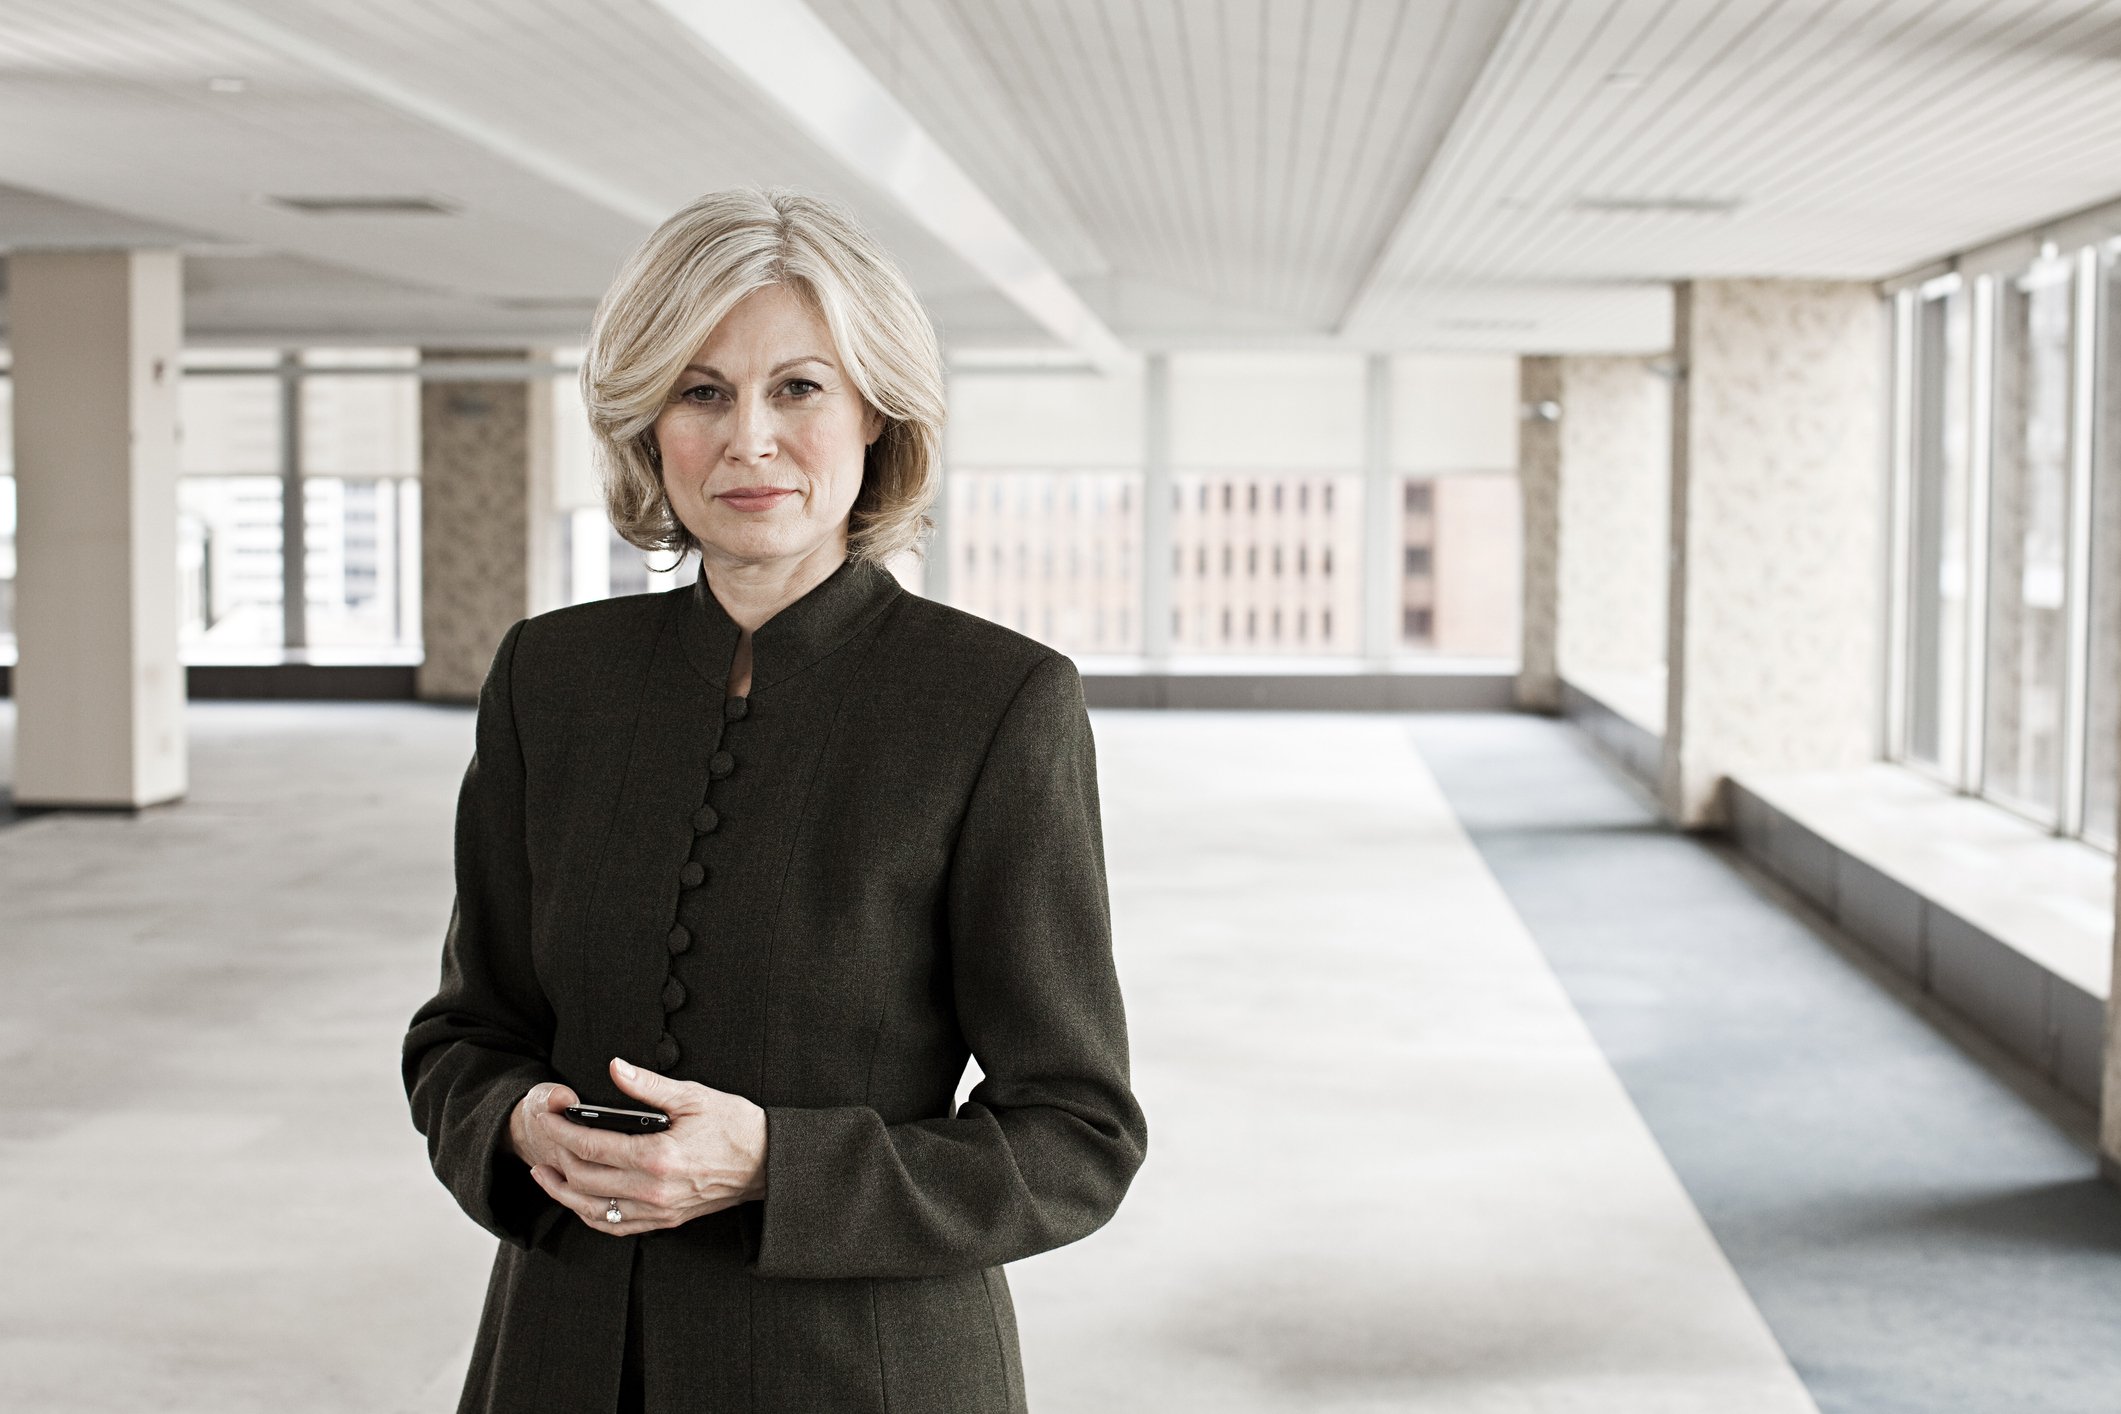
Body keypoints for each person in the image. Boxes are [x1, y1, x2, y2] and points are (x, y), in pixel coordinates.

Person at [402, 187, 1148, 1413]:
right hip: (558, 1357)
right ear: (649, 424)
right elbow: (465, 1033)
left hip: (862, 1373)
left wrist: (775, 1167)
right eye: (701, 392)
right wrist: (514, 1121)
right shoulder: (552, 676)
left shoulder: (997, 700)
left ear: (876, 414)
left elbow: (1076, 1136)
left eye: (798, 387)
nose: (749, 439)